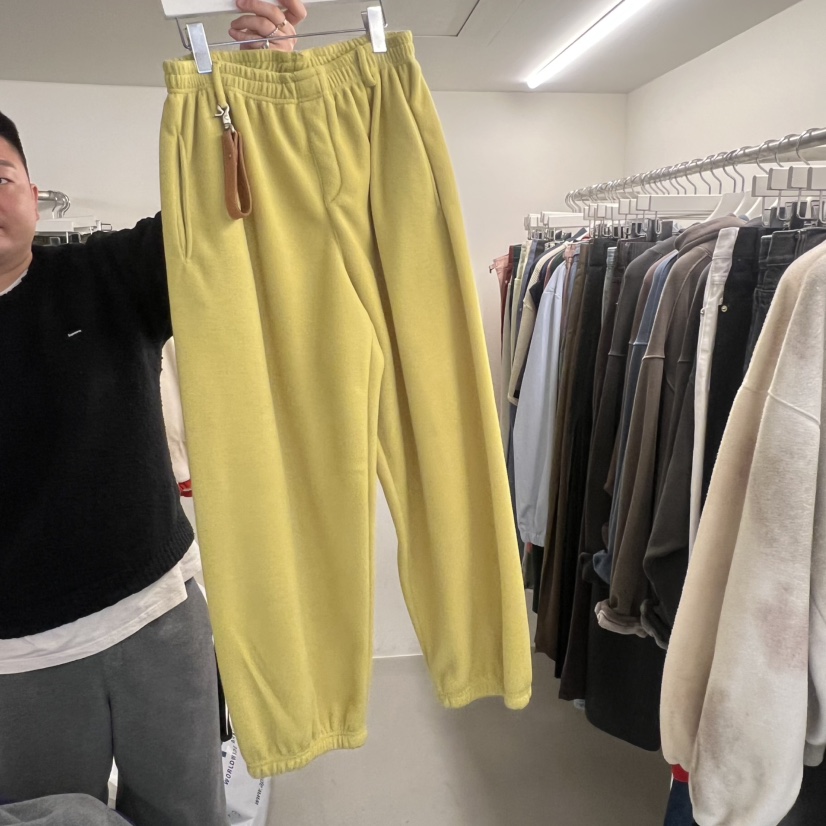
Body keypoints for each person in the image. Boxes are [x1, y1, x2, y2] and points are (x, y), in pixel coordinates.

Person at [0, 2, 307, 824]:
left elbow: (220, 213)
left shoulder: (104, 275)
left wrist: (268, 74)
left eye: (0, 177)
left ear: (32, 189)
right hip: (17, 661)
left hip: (158, 619)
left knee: (187, 813)